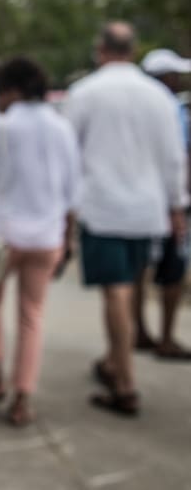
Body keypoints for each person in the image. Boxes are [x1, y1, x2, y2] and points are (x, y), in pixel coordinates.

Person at [65, 23, 189, 417]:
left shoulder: (85, 93)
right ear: (132, 51)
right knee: (131, 282)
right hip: (147, 209)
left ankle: (125, 381)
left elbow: (69, 157)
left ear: (100, 50)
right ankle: (117, 360)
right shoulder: (158, 97)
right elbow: (173, 157)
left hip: (104, 209)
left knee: (116, 291)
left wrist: (65, 212)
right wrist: (176, 205)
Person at [0, 57, 79, 427]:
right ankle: (23, 397)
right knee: (32, 315)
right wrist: (69, 234)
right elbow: (72, 189)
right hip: (47, 235)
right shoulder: (62, 127)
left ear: (12, 90)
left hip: (2, 234)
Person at [134, 48, 191, 358]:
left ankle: (140, 331)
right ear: (167, 77)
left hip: (139, 200)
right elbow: (179, 158)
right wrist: (178, 206)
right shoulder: (171, 108)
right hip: (169, 201)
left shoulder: (135, 106)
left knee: (138, 271)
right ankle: (166, 337)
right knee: (173, 271)